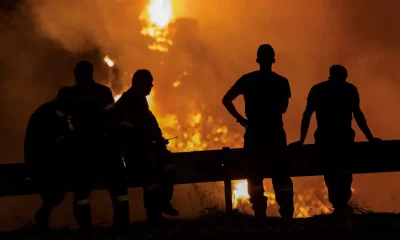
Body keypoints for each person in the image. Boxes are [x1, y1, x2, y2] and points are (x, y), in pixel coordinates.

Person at [291, 64, 381, 216]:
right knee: (344, 171)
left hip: (325, 138)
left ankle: (339, 205)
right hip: (344, 138)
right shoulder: (349, 90)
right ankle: (342, 205)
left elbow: (307, 115)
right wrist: (370, 138)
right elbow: (358, 115)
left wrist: (301, 140)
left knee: (331, 171)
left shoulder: (318, 89)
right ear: (344, 76)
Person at [222, 44, 294, 220]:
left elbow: (226, 100)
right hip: (275, 132)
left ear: (257, 60)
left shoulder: (247, 80)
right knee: (281, 173)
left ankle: (260, 211)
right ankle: (286, 212)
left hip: (254, 132)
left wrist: (242, 120)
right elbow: (284, 108)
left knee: (255, 173)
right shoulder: (281, 82)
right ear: (273, 60)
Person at [66, 60, 129, 229]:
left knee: (83, 192)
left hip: (86, 148)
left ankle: (86, 228)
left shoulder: (72, 95)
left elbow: (66, 121)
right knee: (117, 189)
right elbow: (113, 118)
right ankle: (122, 226)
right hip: (103, 147)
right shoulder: (102, 92)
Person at [113, 69, 179, 223]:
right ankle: (155, 215)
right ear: (139, 83)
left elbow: (149, 123)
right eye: (149, 82)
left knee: (168, 163)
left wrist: (158, 140)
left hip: (146, 151)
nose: (152, 86)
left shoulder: (140, 100)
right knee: (151, 178)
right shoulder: (126, 102)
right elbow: (127, 131)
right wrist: (148, 141)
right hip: (134, 155)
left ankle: (162, 203)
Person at [24, 87, 72, 229]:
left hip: (40, 160)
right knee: (56, 193)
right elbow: (54, 139)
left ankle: (43, 218)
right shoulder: (53, 113)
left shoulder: (48, 110)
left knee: (55, 194)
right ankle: (43, 217)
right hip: (44, 162)